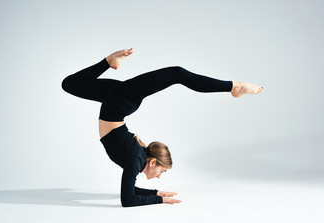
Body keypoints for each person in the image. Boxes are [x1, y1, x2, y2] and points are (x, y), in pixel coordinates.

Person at [61, 48, 264, 207]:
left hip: (117, 101)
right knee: (177, 73)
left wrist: (156, 194)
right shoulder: (135, 161)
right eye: (162, 171)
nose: (159, 176)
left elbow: (128, 196)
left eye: (162, 173)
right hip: (119, 101)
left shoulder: (136, 161)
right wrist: (158, 199)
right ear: (152, 162)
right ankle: (234, 86)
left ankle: (109, 61)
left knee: (69, 84)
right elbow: (128, 199)